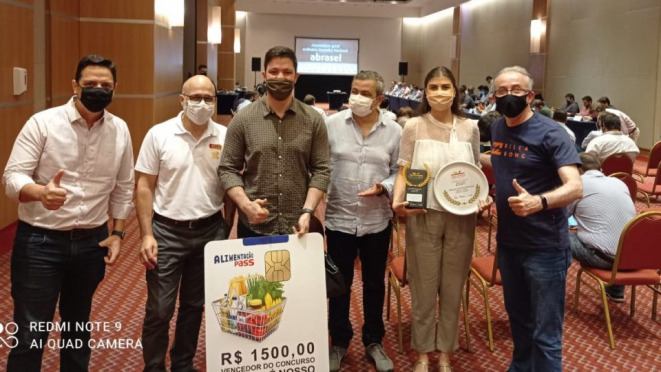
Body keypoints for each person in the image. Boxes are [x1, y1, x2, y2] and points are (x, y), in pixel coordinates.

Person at [2, 55, 135, 372]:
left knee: (78, 327)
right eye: (90, 84)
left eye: (106, 85)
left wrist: (117, 234)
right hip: (40, 243)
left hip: (92, 243)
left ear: (115, 88)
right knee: (31, 331)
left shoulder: (120, 130)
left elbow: (124, 186)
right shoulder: (43, 123)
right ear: (75, 86)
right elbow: (12, 177)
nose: (98, 90)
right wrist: (40, 192)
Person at [391, 66, 491, 372]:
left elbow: (474, 173)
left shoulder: (469, 128)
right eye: (433, 87)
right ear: (425, 92)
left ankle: (446, 353)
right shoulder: (413, 127)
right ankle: (423, 352)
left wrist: (483, 197)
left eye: (445, 87)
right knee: (423, 288)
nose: (439, 93)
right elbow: (405, 171)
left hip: (461, 219)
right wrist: (397, 200)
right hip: (423, 216)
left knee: (452, 288)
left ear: (455, 91)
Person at [136, 75, 234, 372]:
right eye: (196, 98)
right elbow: (144, 185)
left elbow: (231, 184)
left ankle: (182, 363)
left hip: (209, 231)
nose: (202, 104)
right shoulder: (160, 134)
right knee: (160, 309)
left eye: (208, 98)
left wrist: (225, 228)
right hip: (166, 233)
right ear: (182, 100)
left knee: (194, 306)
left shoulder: (226, 135)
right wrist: (146, 234)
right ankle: (153, 366)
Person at [490, 66, 582, 371]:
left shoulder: (551, 132)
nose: (508, 96)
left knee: (546, 334)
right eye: (501, 91)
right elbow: (502, 161)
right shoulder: (498, 128)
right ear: (494, 97)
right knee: (519, 323)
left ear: (530, 96)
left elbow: (575, 187)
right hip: (508, 244)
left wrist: (539, 202)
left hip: (545, 248)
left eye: (516, 90)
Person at [325, 70, 401, 372]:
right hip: (339, 219)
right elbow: (318, 167)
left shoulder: (395, 131)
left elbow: (401, 171)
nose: (357, 97)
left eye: (365, 93)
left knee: (373, 284)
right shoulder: (331, 125)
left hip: (376, 222)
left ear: (379, 99)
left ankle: (374, 341)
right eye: (354, 90)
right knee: (338, 285)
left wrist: (385, 187)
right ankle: (339, 342)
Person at [218, 46, 330, 238]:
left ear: (296, 76)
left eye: (287, 72)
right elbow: (227, 169)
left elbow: (321, 170)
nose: (280, 77)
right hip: (254, 226)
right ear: (264, 75)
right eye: (274, 72)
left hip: (298, 226)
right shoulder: (243, 119)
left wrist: (308, 211)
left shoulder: (313, 120)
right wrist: (245, 205)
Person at [569, 153, 635, 303]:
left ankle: (552, 287)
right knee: (615, 234)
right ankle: (616, 289)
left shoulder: (578, 184)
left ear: (577, 170)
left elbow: (561, 214)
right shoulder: (619, 182)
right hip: (630, 257)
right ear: (600, 168)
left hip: (601, 258)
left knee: (557, 235)